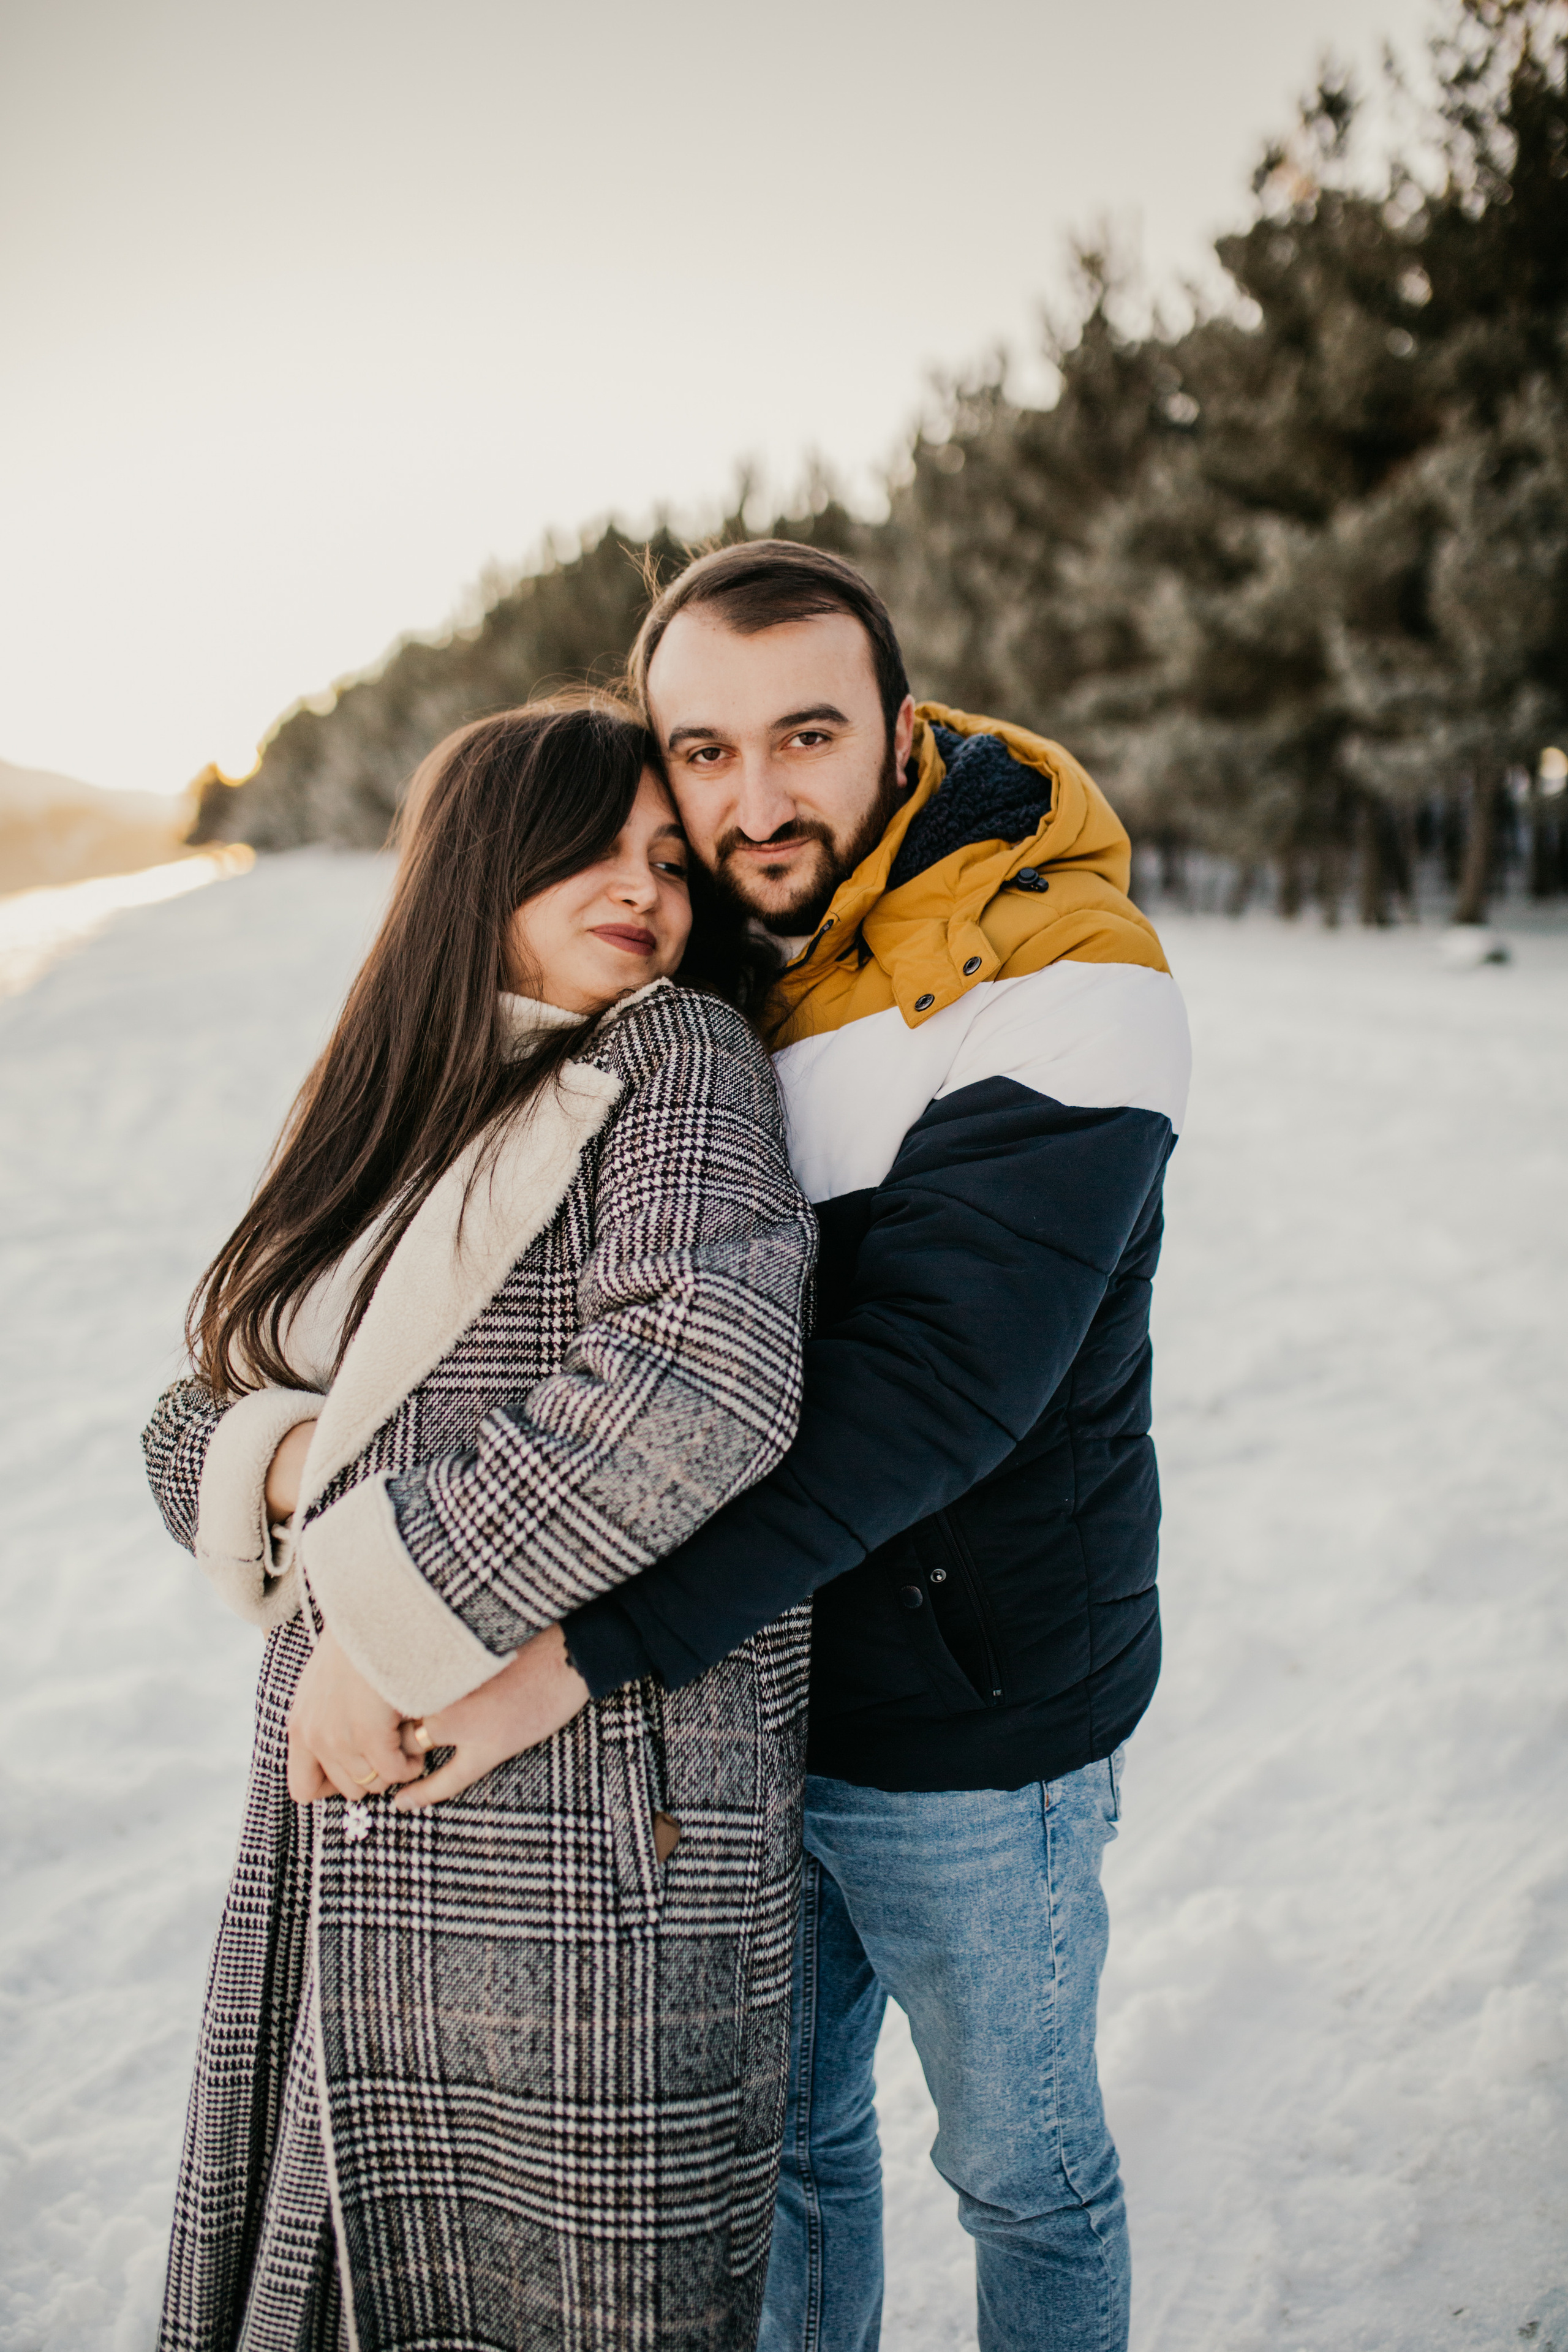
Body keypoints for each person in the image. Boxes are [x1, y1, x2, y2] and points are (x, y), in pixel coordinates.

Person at [490, 544, 1193, 2352]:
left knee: (1021, 2170)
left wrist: (588, 1647)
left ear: (900, 723)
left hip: (974, 1727)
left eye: (806, 735)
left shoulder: (1069, 970)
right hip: (748, 1707)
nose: (755, 799)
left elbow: (936, 1392)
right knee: (786, 2159)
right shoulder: (698, 973)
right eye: (703, 750)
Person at [141, 698, 817, 2352]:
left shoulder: (672, 1059)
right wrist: (305, 1471)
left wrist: (378, 1616)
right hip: (343, 1816)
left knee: (558, 2297)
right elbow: (190, 1419)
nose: (645, 887)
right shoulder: (399, 1107)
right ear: (479, 864)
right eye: (593, 847)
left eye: (669, 860)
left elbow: (705, 1378)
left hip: (585, 1832)